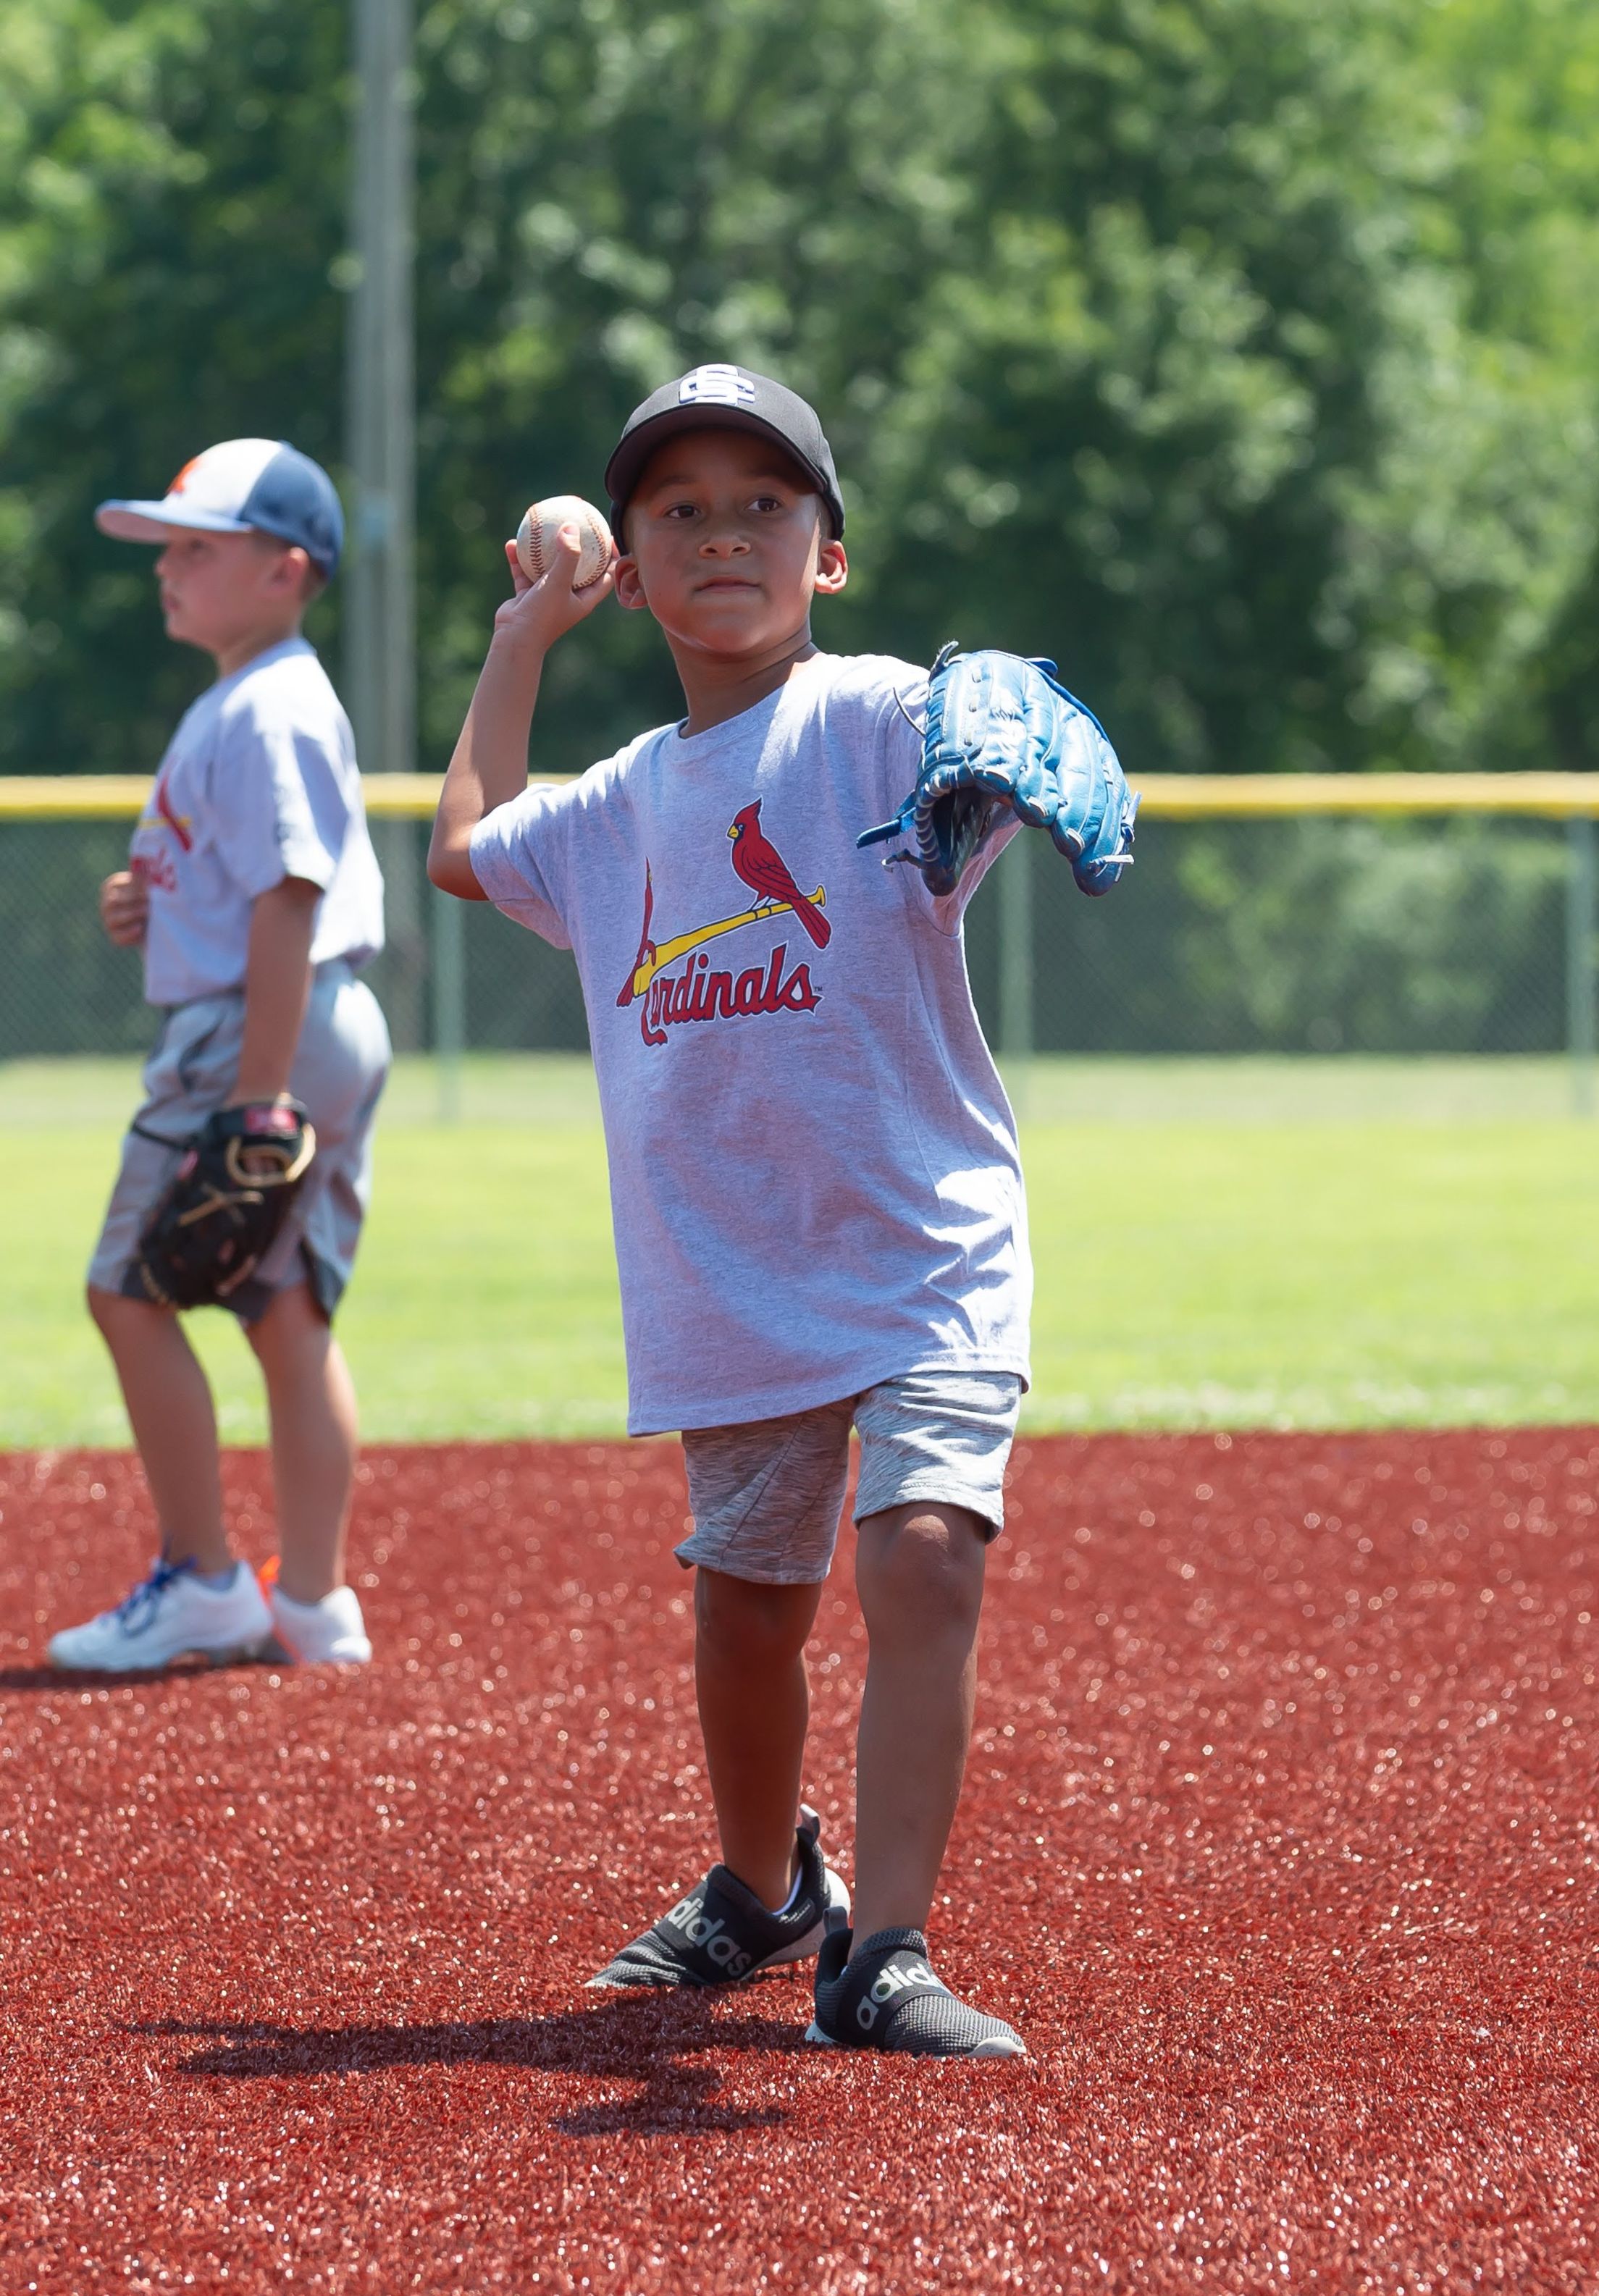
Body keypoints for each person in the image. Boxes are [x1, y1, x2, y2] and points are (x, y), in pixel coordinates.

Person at [429, 366, 1038, 2058]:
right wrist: (524, 634)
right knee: (747, 1611)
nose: (723, 533)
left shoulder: (868, 716)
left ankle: (886, 1950)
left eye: (764, 503)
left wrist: (999, 755)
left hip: (921, 1238)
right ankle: (769, 1892)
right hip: (736, 1271)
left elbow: (971, 750)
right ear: (632, 558)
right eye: (677, 507)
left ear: (826, 554)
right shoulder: (622, 802)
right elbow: (461, 847)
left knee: (922, 1552)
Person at [46, 439, 390, 1673]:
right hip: (310, 1019)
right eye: (167, 548)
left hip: (260, 1029)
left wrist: (255, 1093)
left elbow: (291, 895)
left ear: (286, 570)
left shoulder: (268, 705)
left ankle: (202, 1579)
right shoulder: (248, 698)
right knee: (284, 1310)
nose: (169, 570)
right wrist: (152, 911)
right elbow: (252, 882)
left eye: (199, 547)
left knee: (125, 1293)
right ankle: (311, 1601)